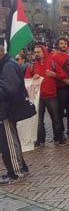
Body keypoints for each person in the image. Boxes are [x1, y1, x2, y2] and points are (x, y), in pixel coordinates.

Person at [25, 45, 68, 147]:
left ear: (44, 52)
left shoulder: (52, 63)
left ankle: (58, 138)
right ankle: (40, 140)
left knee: (56, 118)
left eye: (38, 52)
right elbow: (26, 79)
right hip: (38, 97)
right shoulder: (31, 66)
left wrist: (54, 74)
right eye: (35, 52)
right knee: (38, 120)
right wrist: (32, 78)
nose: (36, 54)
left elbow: (63, 75)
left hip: (51, 96)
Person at [0, 46, 29, 185]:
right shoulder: (8, 64)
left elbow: (9, 89)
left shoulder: (8, 66)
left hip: (6, 110)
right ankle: (20, 168)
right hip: (7, 109)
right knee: (11, 140)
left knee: (9, 142)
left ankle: (15, 173)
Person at [52, 37, 69, 139]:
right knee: (59, 111)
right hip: (60, 88)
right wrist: (64, 80)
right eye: (61, 43)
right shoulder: (54, 57)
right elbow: (53, 72)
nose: (63, 45)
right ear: (58, 45)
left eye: (65, 43)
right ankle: (60, 131)